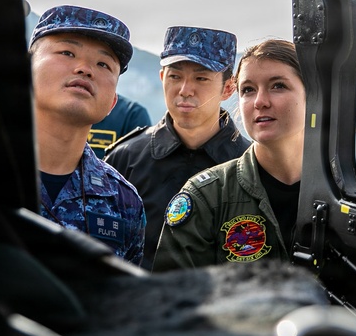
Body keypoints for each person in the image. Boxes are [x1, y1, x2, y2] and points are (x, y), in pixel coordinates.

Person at [151, 38, 305, 270]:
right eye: (248, 90)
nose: (260, 102)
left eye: (278, 86)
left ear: (313, 95)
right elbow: (173, 289)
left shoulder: (347, 197)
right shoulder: (207, 197)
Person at [104, 26, 250, 270]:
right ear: (162, 78)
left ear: (228, 88)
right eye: (175, 76)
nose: (185, 90)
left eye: (201, 78)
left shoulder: (249, 165)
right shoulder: (126, 158)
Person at [29, 4, 146, 266]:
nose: (85, 69)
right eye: (67, 53)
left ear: (112, 102)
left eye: (103, 64)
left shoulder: (122, 202)